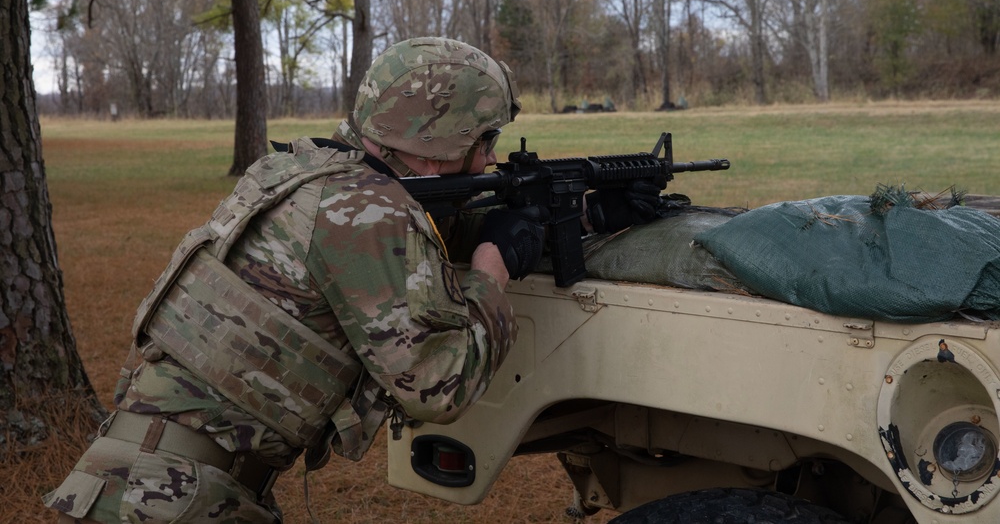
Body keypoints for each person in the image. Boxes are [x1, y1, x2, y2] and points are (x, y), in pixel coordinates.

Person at [44, 36, 656, 523]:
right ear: (441, 139)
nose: (491, 158)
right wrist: (492, 274)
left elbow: (401, 235)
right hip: (177, 499)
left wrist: (571, 215)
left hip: (140, 478)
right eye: (485, 139)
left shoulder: (298, 173)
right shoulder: (371, 216)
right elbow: (440, 385)